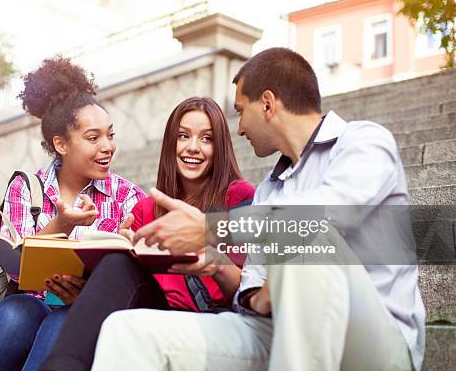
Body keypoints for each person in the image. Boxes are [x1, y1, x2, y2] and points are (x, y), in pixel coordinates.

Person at [91, 48, 425, 371]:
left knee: (305, 241)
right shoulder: (269, 188)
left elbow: (328, 215)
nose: (238, 129)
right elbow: (251, 283)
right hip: (277, 330)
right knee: (129, 331)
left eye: (240, 111)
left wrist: (211, 227)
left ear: (267, 104)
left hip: (376, 344)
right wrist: (252, 290)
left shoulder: (364, 142)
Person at [41, 97, 256, 371]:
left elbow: (248, 290)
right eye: (183, 136)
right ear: (170, 143)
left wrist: (208, 250)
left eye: (206, 139)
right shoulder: (146, 208)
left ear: (220, 147)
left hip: (215, 317)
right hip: (157, 311)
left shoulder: (239, 196)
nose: (193, 147)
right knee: (117, 262)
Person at [0, 56, 145, 371]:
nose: (107, 146)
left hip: (90, 313)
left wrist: (131, 243)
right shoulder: (26, 188)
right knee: (15, 311)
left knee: (63, 322)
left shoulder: (127, 196)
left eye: (110, 135)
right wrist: (63, 224)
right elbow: (16, 269)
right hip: (30, 304)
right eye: (93, 137)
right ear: (61, 143)